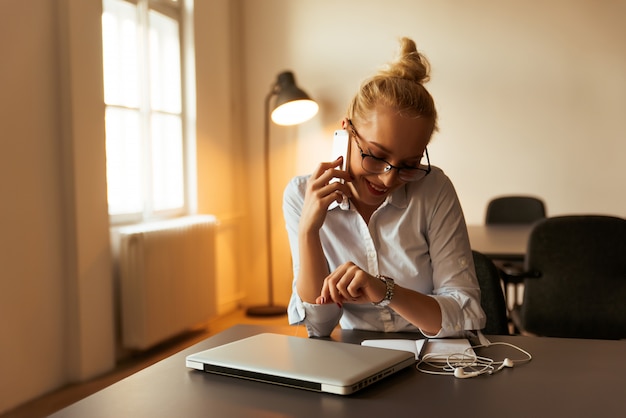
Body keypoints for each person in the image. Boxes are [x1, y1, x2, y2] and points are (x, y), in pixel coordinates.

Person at [283, 37, 485, 338]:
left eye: (409, 164)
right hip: (357, 358)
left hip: (433, 356)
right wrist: (308, 232)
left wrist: (385, 291)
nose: (389, 178)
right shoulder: (302, 195)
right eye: (376, 156)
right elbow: (319, 326)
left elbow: (465, 313)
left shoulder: (433, 189)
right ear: (345, 133)